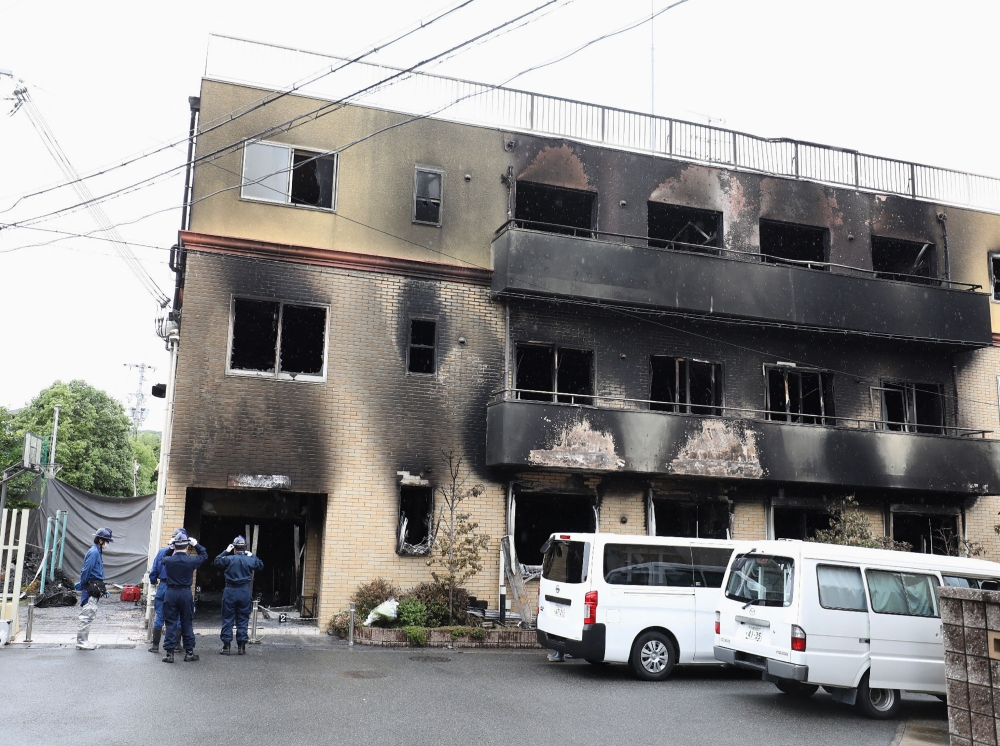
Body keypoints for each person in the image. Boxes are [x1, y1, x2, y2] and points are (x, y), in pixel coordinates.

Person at [160, 530, 207, 663]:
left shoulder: (169, 560)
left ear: (175, 546)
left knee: (170, 623)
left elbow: (163, 557)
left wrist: (170, 547)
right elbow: (204, 555)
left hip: (171, 592)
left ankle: (169, 654)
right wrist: (196, 544)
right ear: (187, 547)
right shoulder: (191, 561)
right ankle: (189, 652)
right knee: (187, 622)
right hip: (185, 593)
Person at [214, 535, 264, 655]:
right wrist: (251, 555)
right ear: (244, 548)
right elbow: (260, 565)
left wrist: (226, 550)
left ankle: (226, 647)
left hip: (230, 591)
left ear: (234, 548)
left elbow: (217, 561)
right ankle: (241, 647)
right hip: (244, 591)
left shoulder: (229, 559)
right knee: (243, 619)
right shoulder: (249, 559)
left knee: (228, 619)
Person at [147, 528, 185, 654]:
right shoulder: (183, 556)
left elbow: (154, 571)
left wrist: (153, 583)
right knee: (178, 616)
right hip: (177, 589)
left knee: (160, 615)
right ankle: (176, 645)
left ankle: (155, 646)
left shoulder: (162, 552)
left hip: (163, 587)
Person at [75, 528, 113, 650]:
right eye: (106, 541)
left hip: (95, 585)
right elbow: (87, 570)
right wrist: (82, 583)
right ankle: (81, 642)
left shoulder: (97, 552)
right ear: (101, 540)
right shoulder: (94, 552)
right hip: (91, 586)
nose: (107, 544)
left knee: (90, 613)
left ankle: (84, 640)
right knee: (87, 613)